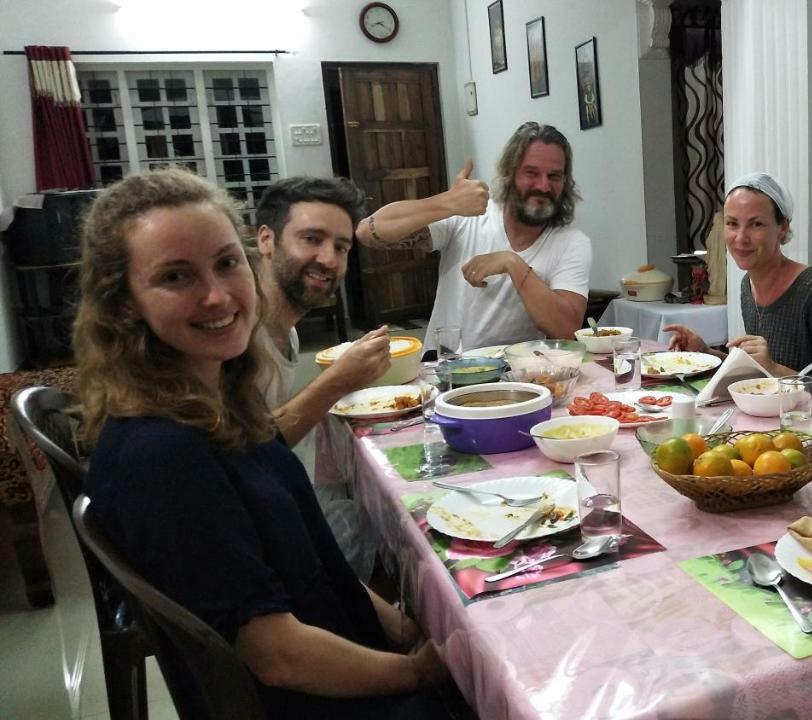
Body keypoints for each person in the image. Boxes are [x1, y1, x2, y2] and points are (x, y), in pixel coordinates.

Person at [74, 168, 440, 718]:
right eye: (176, 277)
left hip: (345, 660)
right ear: (124, 302)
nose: (218, 296)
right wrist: (418, 671)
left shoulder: (219, 403)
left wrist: (407, 631)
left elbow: (316, 567)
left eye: (226, 263)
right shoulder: (160, 454)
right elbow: (278, 656)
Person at [356, 121, 591, 349]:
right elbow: (368, 231)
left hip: (517, 379)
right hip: (443, 372)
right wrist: (447, 202)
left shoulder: (572, 242)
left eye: (554, 176)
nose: (543, 186)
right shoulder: (468, 215)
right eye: (531, 173)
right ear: (509, 174)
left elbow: (567, 331)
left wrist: (512, 263)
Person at [665, 172, 812, 405]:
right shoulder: (747, 285)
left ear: (783, 228)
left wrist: (775, 369)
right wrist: (706, 352)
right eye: (732, 223)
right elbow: (760, 372)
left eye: (756, 224)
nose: (740, 237)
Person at [253, 176, 390, 446]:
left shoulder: (288, 332)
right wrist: (336, 381)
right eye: (311, 239)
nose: (328, 259)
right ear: (266, 240)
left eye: (341, 247)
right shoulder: (236, 335)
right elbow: (248, 454)